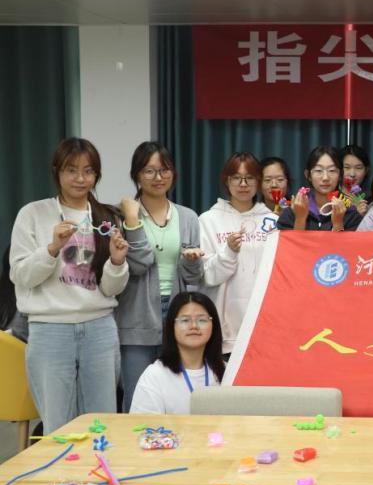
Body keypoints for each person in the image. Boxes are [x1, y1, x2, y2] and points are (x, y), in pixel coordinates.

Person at [10, 137, 129, 433]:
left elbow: (112, 289)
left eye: (88, 171)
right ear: (57, 171)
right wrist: (52, 248)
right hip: (50, 328)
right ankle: (60, 467)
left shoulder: (107, 218)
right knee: (57, 425)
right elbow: (21, 275)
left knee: (102, 423)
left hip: (99, 327)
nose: (80, 178)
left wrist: (116, 262)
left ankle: (98, 465)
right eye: (71, 170)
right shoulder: (33, 214)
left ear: (96, 175)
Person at [115, 141, 204, 412]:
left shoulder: (187, 217)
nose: (158, 177)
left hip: (177, 313)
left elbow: (193, 276)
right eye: (149, 171)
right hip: (136, 315)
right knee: (137, 398)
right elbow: (139, 264)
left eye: (165, 170)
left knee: (178, 394)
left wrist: (191, 261)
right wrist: (133, 221)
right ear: (136, 175)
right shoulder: (122, 216)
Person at [199, 152, 277, 357]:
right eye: (236, 178)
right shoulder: (208, 220)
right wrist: (229, 251)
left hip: (264, 325)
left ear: (258, 181)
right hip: (224, 330)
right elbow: (207, 276)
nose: (243, 184)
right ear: (227, 181)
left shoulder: (273, 221)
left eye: (250, 177)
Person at [129, 292, 224, 415]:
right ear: (171, 326)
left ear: (214, 325)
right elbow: (143, 425)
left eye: (202, 320)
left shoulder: (227, 372)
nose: (194, 326)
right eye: (185, 320)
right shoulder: (155, 375)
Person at [277, 146, 359, 232]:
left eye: (332, 170)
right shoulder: (294, 210)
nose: (325, 178)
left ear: (340, 175)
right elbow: (288, 241)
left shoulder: (351, 214)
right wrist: (300, 218)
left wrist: (338, 224)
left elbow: (351, 241)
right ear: (308, 175)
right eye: (319, 170)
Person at [338, 144, 371, 222]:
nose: (352, 174)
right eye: (347, 167)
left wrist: (364, 215)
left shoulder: (371, 198)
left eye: (358, 168)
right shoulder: (331, 195)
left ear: (366, 170)